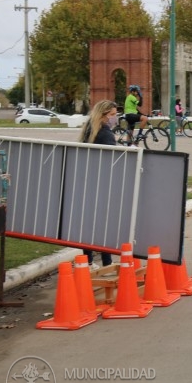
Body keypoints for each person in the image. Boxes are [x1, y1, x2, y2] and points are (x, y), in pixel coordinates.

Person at [78, 100, 120, 269]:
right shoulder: (106, 134)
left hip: (86, 182)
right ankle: (107, 263)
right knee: (104, 224)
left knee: (88, 224)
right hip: (102, 183)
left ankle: (87, 261)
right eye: (112, 115)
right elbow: (112, 159)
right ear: (103, 116)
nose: (115, 118)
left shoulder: (88, 130)